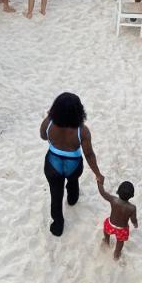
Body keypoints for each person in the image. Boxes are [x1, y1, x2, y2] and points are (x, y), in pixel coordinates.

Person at [40, 92, 105, 237]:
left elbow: (43, 136)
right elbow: (89, 154)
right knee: (73, 180)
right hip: (73, 164)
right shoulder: (82, 130)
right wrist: (98, 173)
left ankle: (58, 225)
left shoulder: (49, 122)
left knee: (55, 194)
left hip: (52, 163)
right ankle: (72, 197)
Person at [97, 179, 137, 261]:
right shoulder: (132, 208)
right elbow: (133, 219)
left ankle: (106, 241)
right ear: (132, 195)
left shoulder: (113, 200)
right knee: (120, 242)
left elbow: (103, 193)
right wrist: (135, 224)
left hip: (110, 224)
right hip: (122, 230)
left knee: (106, 232)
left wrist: (99, 182)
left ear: (117, 191)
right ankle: (116, 254)